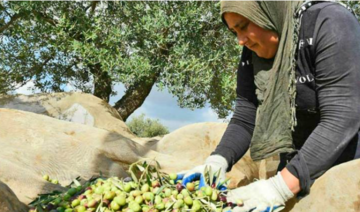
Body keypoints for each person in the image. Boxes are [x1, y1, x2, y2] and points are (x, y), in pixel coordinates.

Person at [180, 1, 360, 212]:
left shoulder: (328, 22)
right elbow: (246, 117)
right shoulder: (254, 52)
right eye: (234, 32)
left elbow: (342, 116)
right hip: (297, 166)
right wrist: (216, 162)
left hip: (349, 166)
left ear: (266, 11)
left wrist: (278, 187)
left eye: (244, 26)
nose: (240, 41)